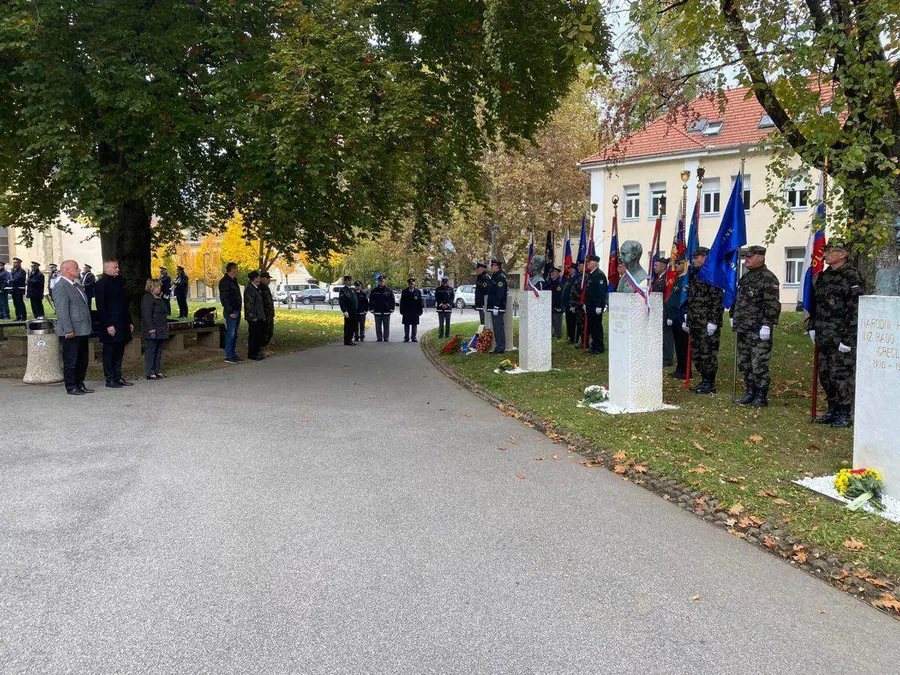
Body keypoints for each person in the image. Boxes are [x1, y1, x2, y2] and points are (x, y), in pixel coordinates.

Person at [807, 239, 865, 428]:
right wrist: (813, 326)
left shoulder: (852, 276)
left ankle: (845, 413)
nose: (825, 253)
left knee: (841, 375)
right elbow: (817, 304)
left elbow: (856, 310)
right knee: (825, 374)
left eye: (830, 251)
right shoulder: (824, 276)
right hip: (825, 334)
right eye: (824, 250)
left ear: (843, 254)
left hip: (841, 336)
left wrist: (848, 339)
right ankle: (832, 409)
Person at [730, 246, 782, 407]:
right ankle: (749, 391)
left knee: (759, 363)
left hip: (759, 329)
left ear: (761, 257)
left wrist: (767, 325)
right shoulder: (745, 278)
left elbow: (772, 304)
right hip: (743, 327)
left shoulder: (768, 278)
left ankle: (761, 395)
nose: (747, 259)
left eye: (750, 257)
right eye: (746, 257)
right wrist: (733, 314)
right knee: (744, 363)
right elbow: (738, 299)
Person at [684, 247, 724, 394]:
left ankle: (709, 382)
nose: (694, 260)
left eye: (697, 257)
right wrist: (687, 316)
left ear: (706, 257)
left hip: (707, 322)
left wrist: (713, 321)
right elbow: (691, 297)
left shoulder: (712, 275)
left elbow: (716, 300)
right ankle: (704, 379)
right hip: (695, 321)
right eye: (694, 257)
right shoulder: (695, 274)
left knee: (708, 353)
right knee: (697, 353)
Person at [54, 260, 94, 395]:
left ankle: (80, 383)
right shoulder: (61, 286)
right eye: (76, 268)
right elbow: (62, 310)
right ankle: (71, 386)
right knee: (71, 359)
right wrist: (68, 329)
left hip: (82, 328)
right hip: (71, 330)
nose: (79, 270)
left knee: (82, 359)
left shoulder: (75, 284)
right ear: (66, 270)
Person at [94, 260, 134, 388]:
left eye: (118, 267)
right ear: (107, 269)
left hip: (122, 322)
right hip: (110, 323)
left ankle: (118, 376)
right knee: (109, 351)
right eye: (115, 267)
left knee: (119, 351)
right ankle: (109, 378)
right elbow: (101, 306)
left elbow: (124, 304)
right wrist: (108, 325)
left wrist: (129, 321)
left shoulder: (119, 282)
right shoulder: (101, 284)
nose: (118, 269)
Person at [664, 256, 689, 379]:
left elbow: (682, 300)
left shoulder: (686, 280)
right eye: (675, 263)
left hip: (680, 317)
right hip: (674, 317)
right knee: (678, 345)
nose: (676, 265)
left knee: (682, 345)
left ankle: (685, 370)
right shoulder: (678, 279)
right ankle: (680, 368)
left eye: (679, 263)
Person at [141, 279, 169, 380]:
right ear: (152, 287)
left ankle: (157, 370)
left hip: (161, 327)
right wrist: (151, 328)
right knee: (151, 350)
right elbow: (147, 315)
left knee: (158, 350)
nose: (159, 288)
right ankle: (150, 371)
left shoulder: (159, 298)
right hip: (152, 328)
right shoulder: (148, 298)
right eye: (157, 286)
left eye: (160, 286)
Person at [583, 255, 608, 354]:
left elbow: (601, 292)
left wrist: (599, 305)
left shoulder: (599, 275)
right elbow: (588, 291)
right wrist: (585, 303)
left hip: (596, 306)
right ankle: (594, 346)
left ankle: (599, 347)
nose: (588, 264)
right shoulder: (591, 274)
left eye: (590, 262)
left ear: (595, 263)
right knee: (592, 326)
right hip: (590, 305)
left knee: (597, 326)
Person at [652, 256, 674, 367]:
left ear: (664, 266)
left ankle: (668, 357)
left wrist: (670, 315)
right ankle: (662, 355)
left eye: (656, 265)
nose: (654, 267)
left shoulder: (667, 278)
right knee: (661, 334)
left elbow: (669, 296)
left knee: (667, 335)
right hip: (657, 310)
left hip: (665, 310)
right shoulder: (657, 278)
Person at [219, 262, 242, 363]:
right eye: (236, 268)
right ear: (231, 269)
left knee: (235, 334)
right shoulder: (224, 282)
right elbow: (224, 298)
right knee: (230, 334)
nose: (237, 270)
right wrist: (230, 311)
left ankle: (233, 353)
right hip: (231, 311)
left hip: (237, 309)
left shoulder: (234, 281)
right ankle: (228, 355)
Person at [243, 271, 267, 361]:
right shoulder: (249, 289)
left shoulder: (257, 288)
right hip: (253, 317)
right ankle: (252, 353)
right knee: (253, 335)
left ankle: (256, 352)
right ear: (254, 278)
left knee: (258, 335)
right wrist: (252, 316)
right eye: (258, 277)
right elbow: (249, 304)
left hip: (259, 316)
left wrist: (262, 315)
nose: (259, 279)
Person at [487, 259, 508, 354]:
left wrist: (496, 306)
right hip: (493, 306)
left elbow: (500, 293)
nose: (491, 267)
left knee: (499, 328)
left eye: (493, 265)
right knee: (496, 327)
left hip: (498, 307)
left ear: (497, 267)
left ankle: (500, 348)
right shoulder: (494, 277)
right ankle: (498, 347)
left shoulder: (500, 277)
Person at [369, 275, 395, 342]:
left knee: (386, 326)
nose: (381, 282)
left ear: (385, 282)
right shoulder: (374, 291)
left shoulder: (389, 290)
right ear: (378, 282)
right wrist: (371, 308)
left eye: (383, 281)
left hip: (386, 311)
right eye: (380, 281)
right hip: (377, 311)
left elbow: (392, 300)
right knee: (378, 326)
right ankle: (379, 338)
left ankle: (386, 338)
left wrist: (392, 308)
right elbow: (371, 300)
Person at [400, 278, 423, 342]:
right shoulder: (404, 292)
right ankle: (406, 338)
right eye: (410, 284)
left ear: (414, 284)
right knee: (406, 325)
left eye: (412, 284)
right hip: (406, 311)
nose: (411, 285)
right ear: (408, 284)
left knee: (414, 324)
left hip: (415, 311)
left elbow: (420, 302)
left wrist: (420, 311)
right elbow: (402, 302)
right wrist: (401, 311)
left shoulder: (418, 291)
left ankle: (414, 337)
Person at [570, 261, 587, 348]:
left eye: (580, 266)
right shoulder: (580, 277)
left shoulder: (586, 277)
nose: (578, 267)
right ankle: (582, 341)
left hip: (581, 305)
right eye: (578, 266)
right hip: (577, 305)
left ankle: (584, 342)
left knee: (583, 325)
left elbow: (582, 292)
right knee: (580, 325)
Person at [338, 275, 358, 346]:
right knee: (348, 327)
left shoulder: (351, 289)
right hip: (348, 311)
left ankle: (350, 339)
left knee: (352, 326)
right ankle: (347, 341)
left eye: (351, 280)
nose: (350, 282)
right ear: (345, 281)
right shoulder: (343, 290)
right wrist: (344, 311)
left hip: (353, 311)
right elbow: (342, 301)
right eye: (349, 280)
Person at [259, 272, 276, 354]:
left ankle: (266, 347)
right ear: (262, 278)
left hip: (269, 313)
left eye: (269, 278)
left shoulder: (266, 288)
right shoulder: (260, 288)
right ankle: (263, 348)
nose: (269, 280)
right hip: (265, 314)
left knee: (270, 331)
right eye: (267, 278)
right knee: (264, 331)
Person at [561, 265, 578, 343]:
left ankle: (573, 338)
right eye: (569, 269)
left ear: (574, 269)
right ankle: (571, 337)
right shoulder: (570, 278)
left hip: (571, 304)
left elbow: (573, 292)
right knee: (569, 321)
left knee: (572, 322)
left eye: (571, 269)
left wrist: (572, 304)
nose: (569, 270)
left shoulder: (575, 279)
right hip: (567, 304)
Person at [548, 266, 565, 339]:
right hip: (552, 304)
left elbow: (559, 296)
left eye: (554, 272)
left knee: (557, 321)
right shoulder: (553, 281)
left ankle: (558, 334)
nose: (552, 273)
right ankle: (555, 333)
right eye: (552, 272)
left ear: (558, 273)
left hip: (557, 305)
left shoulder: (558, 282)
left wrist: (558, 306)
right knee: (553, 321)